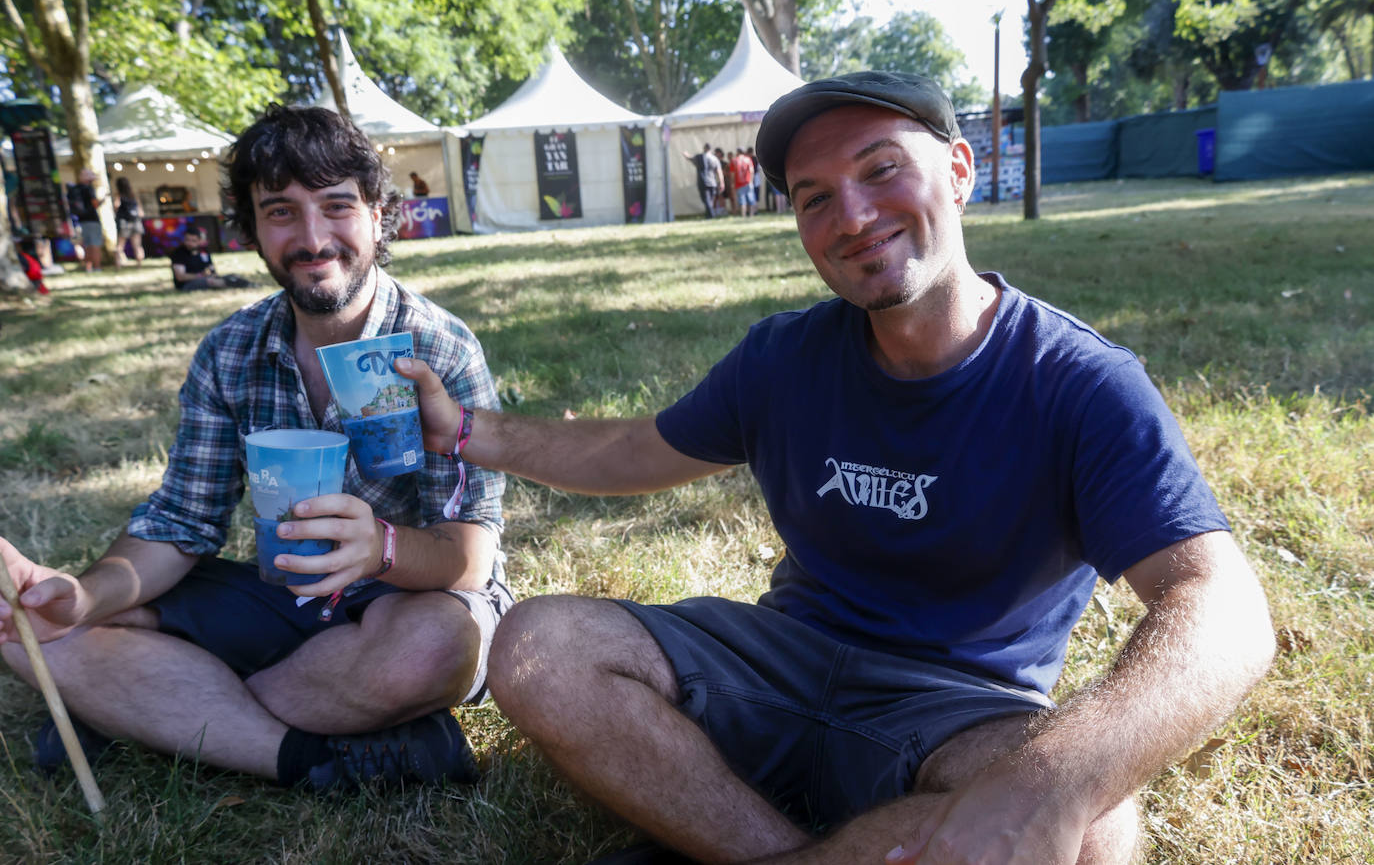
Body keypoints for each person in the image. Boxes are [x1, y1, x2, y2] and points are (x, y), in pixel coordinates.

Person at [398, 72, 1276, 863]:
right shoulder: (783, 358)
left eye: (883, 169)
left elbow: (1221, 606)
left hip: (955, 709)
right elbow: (633, 449)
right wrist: (468, 428)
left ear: (962, 171)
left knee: (1094, 831)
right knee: (540, 646)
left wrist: (1053, 779)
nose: (851, 217)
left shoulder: (1080, 384)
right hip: (775, 665)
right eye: (814, 197)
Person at [0, 103, 511, 793]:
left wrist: (381, 548)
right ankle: (314, 753)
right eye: (280, 212)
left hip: (409, 599)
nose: (312, 237)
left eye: (336, 207)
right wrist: (85, 596)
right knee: (31, 630)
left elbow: (471, 556)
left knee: (437, 647)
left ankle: (150, 711)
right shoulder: (231, 350)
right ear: (251, 227)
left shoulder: (439, 349)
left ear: (377, 216)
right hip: (284, 595)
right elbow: (183, 524)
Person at [167, 224, 256, 290]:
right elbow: (180, 277)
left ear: (199, 241)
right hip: (186, 285)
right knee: (212, 281)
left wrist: (211, 273)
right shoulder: (178, 254)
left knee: (232, 276)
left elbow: (212, 269)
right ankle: (238, 286)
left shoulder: (204, 252)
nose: (189, 243)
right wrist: (200, 276)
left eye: (193, 241)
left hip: (206, 278)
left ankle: (250, 285)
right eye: (187, 240)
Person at [67, 168, 105, 272]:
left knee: (87, 245)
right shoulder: (88, 189)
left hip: (80, 220)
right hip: (92, 220)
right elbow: (95, 204)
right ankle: (97, 268)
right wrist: (102, 200)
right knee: (95, 244)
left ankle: (89, 268)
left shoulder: (74, 189)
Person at [683, 144, 722, 218]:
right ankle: (708, 215)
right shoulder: (714, 158)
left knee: (706, 200)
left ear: (704, 149)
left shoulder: (699, 157)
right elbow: (719, 171)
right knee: (710, 200)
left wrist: (686, 155)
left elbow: (690, 158)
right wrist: (722, 182)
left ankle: (711, 215)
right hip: (712, 182)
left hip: (703, 182)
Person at [114, 176, 145, 265]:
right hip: (135, 222)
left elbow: (116, 206)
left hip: (124, 222)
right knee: (137, 245)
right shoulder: (133, 195)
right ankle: (139, 265)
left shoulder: (119, 195)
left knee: (120, 246)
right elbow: (141, 212)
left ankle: (118, 265)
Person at [731, 147, 756, 217]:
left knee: (742, 201)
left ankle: (743, 215)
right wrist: (751, 181)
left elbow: (732, 174)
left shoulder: (734, 160)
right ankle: (751, 215)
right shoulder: (748, 159)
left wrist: (732, 183)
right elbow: (752, 171)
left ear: (738, 152)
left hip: (739, 184)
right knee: (751, 199)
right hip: (748, 182)